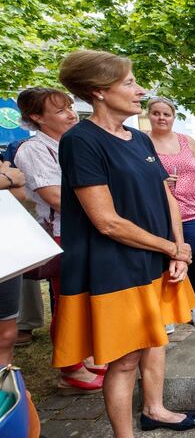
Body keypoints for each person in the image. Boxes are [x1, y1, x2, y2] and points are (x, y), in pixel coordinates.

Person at [55, 49, 195, 438]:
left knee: (156, 340)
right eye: (130, 83)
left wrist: (179, 247)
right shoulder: (80, 141)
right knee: (123, 359)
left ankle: (155, 409)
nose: (140, 91)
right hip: (115, 265)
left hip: (154, 258)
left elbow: (165, 193)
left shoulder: (138, 138)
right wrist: (169, 248)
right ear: (99, 91)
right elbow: (106, 222)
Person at [14, 87, 106, 393]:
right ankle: (69, 368)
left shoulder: (74, 142)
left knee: (89, 296)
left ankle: (86, 354)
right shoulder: (34, 150)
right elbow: (55, 197)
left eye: (70, 107)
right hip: (62, 233)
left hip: (88, 229)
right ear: (36, 117)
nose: (70, 114)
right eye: (60, 110)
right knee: (67, 300)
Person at [147, 97, 195, 328]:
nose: (162, 118)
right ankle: (166, 312)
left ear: (174, 117)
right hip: (160, 213)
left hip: (193, 212)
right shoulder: (142, 142)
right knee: (165, 260)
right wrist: (158, 181)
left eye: (166, 114)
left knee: (188, 259)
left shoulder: (186, 142)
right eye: (156, 113)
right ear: (149, 115)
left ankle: (192, 304)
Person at [0, 159, 26, 365]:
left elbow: (19, 193)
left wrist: (7, 180)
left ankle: (7, 395)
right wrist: (6, 179)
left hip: (4, 249)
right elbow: (12, 179)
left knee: (6, 335)